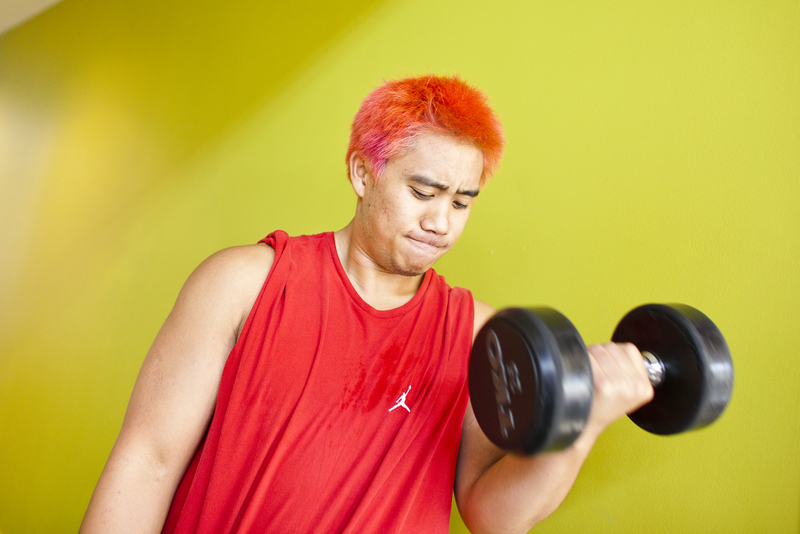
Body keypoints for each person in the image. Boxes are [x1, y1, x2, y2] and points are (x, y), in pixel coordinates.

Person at [80, 75, 654, 534]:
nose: (440, 222)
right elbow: (148, 461)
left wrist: (584, 423)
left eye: (461, 203)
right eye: (423, 193)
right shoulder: (243, 283)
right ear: (363, 172)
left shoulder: (481, 335)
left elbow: (492, 516)